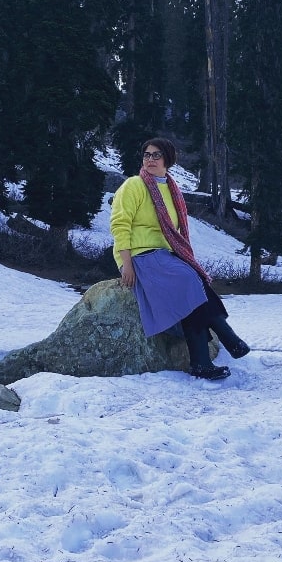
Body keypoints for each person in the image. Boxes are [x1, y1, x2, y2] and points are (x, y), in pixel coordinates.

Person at [110, 137, 250, 380]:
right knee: (189, 279)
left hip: (165, 255)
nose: (150, 159)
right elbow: (119, 224)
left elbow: (175, 230)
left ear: (168, 159)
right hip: (139, 254)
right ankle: (227, 337)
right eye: (146, 154)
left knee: (196, 283)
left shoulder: (172, 190)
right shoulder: (133, 185)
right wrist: (127, 264)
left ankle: (202, 362)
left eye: (156, 155)